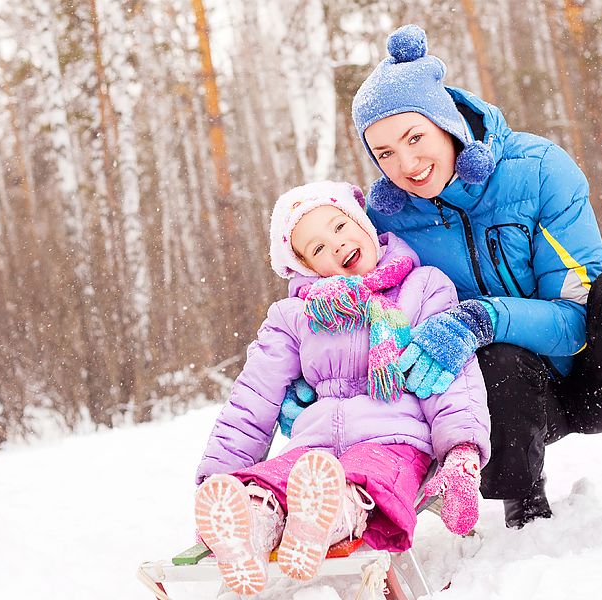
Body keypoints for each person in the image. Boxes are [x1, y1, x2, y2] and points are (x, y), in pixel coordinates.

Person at [347, 24, 602, 559]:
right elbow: (363, 307)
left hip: (597, 376)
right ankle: (521, 500)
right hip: (511, 400)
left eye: (415, 138)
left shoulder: (538, 170)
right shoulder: (389, 223)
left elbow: (575, 317)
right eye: (384, 153)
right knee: (493, 354)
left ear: (447, 124)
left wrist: (484, 316)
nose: (406, 165)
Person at [193, 180, 491, 596]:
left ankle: (327, 515)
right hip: (312, 447)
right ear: (306, 269)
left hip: (397, 440)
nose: (335, 246)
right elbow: (253, 397)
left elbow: (451, 376)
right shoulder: (295, 315)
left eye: (338, 226)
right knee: (271, 482)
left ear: (363, 224)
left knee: (362, 480)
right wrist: (218, 475)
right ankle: (250, 525)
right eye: (316, 249)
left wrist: (461, 451)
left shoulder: (423, 287)